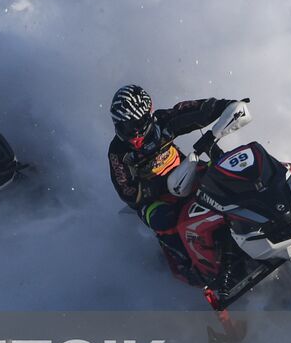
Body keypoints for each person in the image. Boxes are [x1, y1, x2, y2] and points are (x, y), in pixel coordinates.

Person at [107, 85, 252, 284]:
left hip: (187, 173)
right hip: (151, 199)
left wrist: (224, 107)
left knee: (225, 172)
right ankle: (190, 267)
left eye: (134, 124)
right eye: (124, 126)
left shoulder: (163, 122)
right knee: (163, 219)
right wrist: (158, 186)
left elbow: (195, 111)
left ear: (147, 116)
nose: (131, 132)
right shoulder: (118, 152)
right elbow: (127, 192)